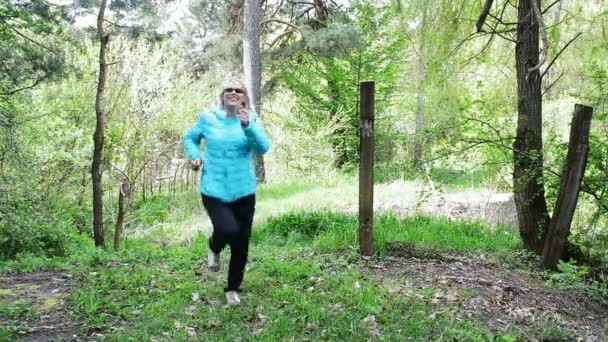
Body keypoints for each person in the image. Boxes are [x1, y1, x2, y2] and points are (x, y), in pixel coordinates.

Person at [183, 74, 270, 305]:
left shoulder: (251, 118)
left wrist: (247, 127)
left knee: (241, 241)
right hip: (214, 189)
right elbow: (190, 138)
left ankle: (232, 288)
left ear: (244, 98)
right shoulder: (208, 118)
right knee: (226, 228)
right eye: (228, 89)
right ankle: (214, 246)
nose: (233, 92)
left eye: (238, 90)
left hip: (243, 190)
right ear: (222, 96)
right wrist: (195, 156)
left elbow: (263, 147)